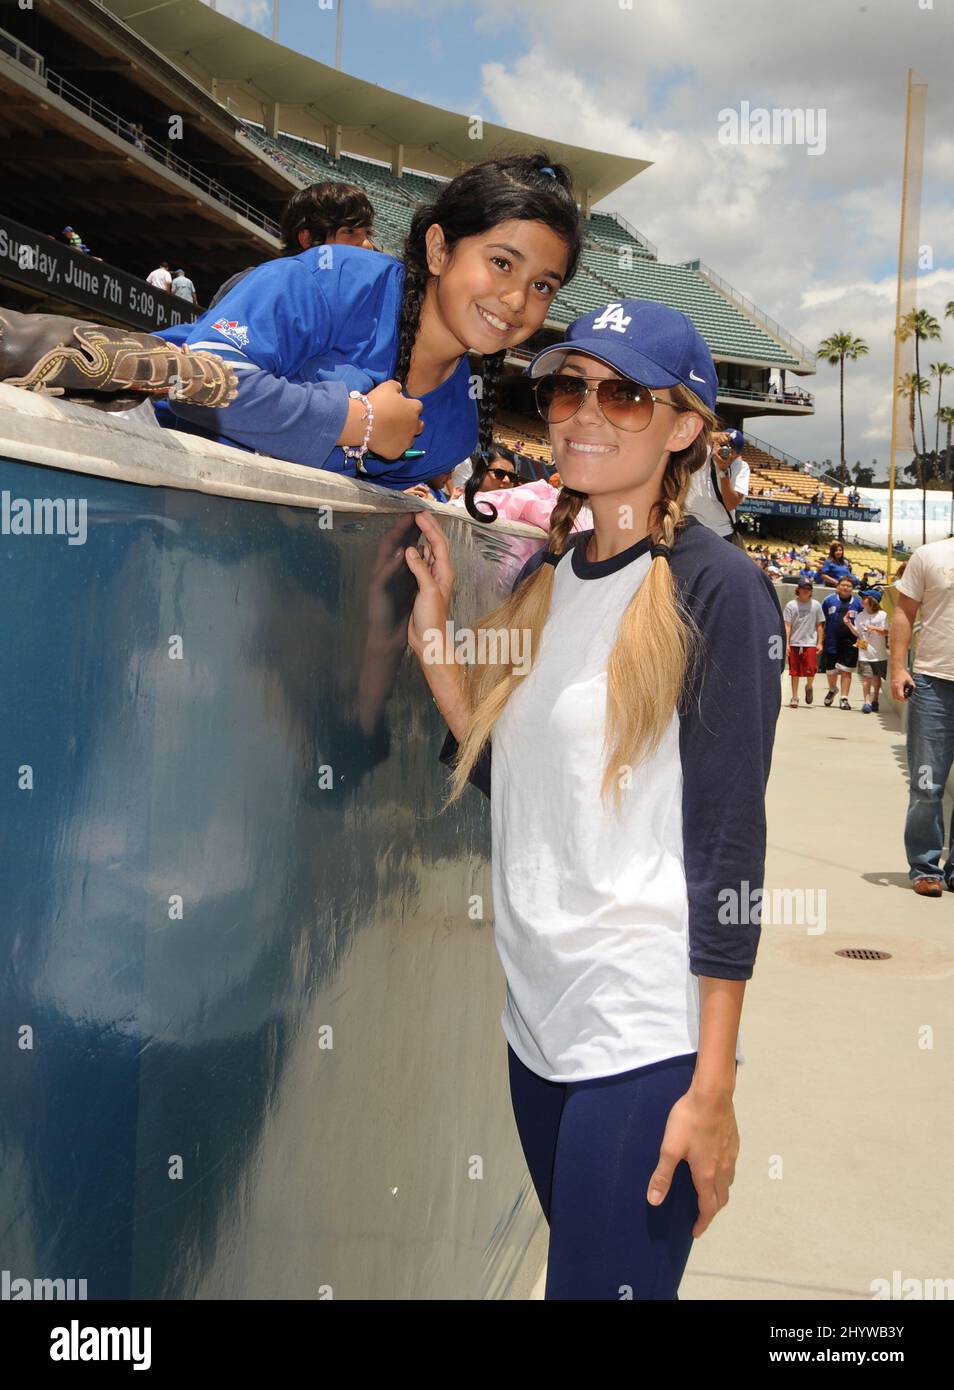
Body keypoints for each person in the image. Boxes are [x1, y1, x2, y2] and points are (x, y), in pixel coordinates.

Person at [405, 299, 785, 1300]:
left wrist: (713, 1085)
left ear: (688, 426)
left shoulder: (719, 590)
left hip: (643, 1034)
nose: (583, 411)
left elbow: (730, 845)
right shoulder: (554, 572)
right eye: (567, 386)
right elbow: (523, 786)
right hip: (538, 1027)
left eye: (624, 394)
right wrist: (440, 649)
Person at [152, 153, 580, 493]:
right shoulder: (336, 279)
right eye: (501, 262)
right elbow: (191, 383)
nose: (516, 299)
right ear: (439, 250)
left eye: (543, 286)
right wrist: (358, 423)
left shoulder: (455, 433)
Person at [890, 536, 954, 896]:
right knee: (927, 784)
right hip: (933, 683)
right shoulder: (929, 555)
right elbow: (903, 612)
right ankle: (926, 866)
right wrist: (898, 668)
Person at [209, 182, 377, 308]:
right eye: (349, 232)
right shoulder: (252, 286)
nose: (367, 244)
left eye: (367, 233)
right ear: (308, 239)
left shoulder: (364, 301)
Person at [683, 427, 749, 543]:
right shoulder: (702, 452)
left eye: (730, 448)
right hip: (689, 527)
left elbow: (731, 504)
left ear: (736, 455)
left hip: (719, 533)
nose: (724, 449)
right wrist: (710, 435)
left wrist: (723, 471)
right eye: (722, 444)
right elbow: (683, 435)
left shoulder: (740, 467)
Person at [820, 575, 863, 708]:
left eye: (848, 586)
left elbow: (862, 624)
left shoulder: (858, 603)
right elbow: (821, 622)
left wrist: (862, 644)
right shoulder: (828, 601)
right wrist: (820, 641)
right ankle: (832, 690)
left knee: (846, 670)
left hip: (850, 642)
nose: (845, 588)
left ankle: (844, 698)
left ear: (852, 588)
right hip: (831, 641)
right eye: (843, 585)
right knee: (831, 671)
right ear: (837, 586)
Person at [844, 588, 888, 713]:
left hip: (879, 654)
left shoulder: (882, 615)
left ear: (872, 601)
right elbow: (858, 633)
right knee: (866, 678)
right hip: (864, 653)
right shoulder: (860, 615)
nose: (862, 600)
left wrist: (874, 628)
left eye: (865, 598)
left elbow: (887, 632)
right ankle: (867, 702)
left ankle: (875, 700)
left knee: (876, 678)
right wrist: (848, 624)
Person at [783, 580, 824, 708]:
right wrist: (787, 644)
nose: (805, 590)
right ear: (798, 590)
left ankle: (809, 686)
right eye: (803, 588)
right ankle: (794, 697)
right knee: (794, 672)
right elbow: (787, 626)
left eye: (808, 588)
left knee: (811, 669)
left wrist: (820, 642)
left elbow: (819, 625)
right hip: (795, 642)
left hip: (810, 642)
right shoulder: (791, 605)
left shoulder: (816, 605)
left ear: (811, 591)